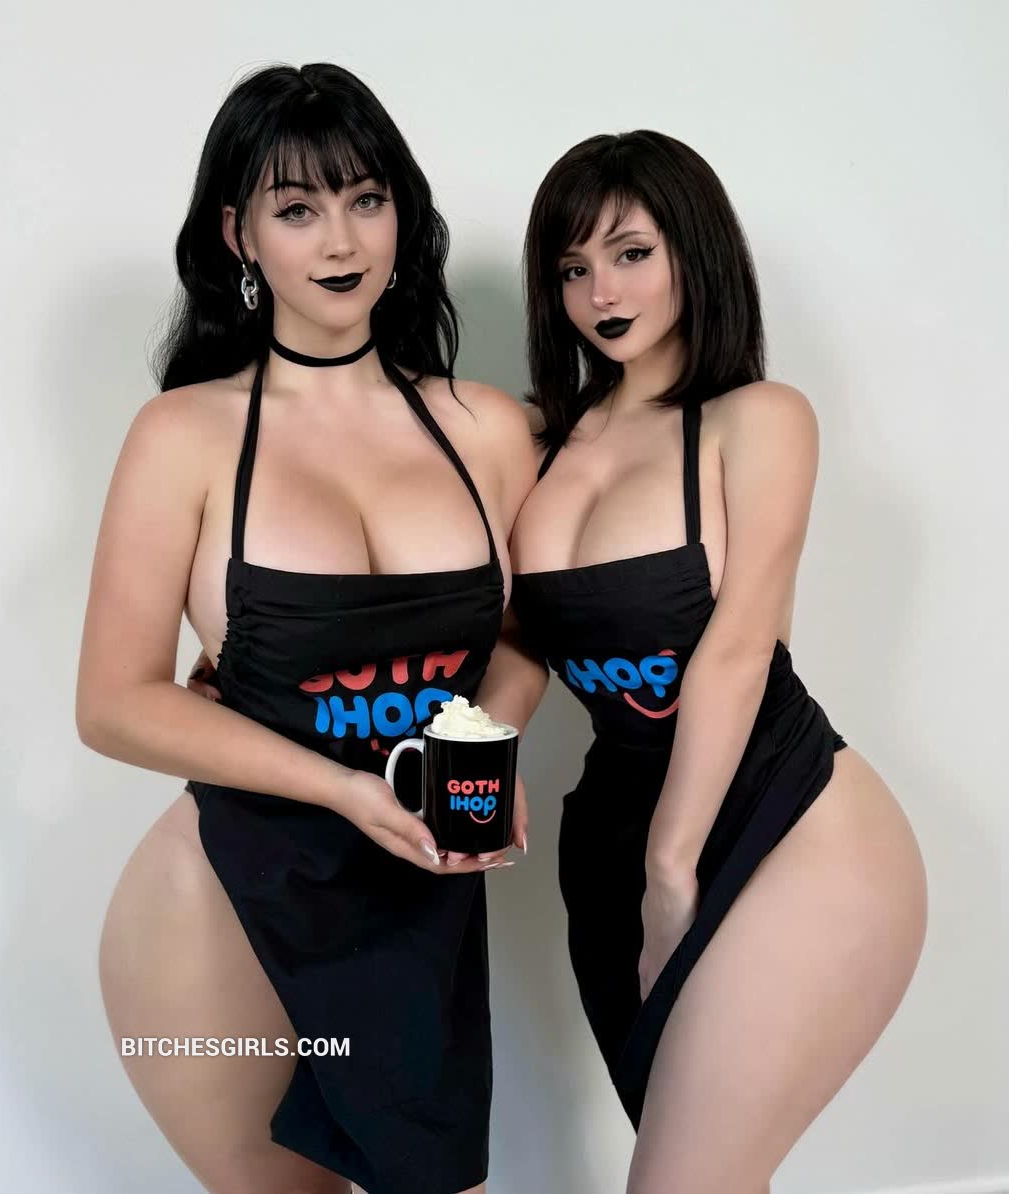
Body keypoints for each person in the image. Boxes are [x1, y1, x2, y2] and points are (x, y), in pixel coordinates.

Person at [76, 62, 533, 1194]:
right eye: (298, 208)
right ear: (240, 234)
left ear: (401, 215)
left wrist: (491, 743)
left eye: (366, 199)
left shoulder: (487, 428)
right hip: (228, 900)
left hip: (421, 894)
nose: (341, 239)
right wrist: (341, 789)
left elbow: (531, 632)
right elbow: (114, 702)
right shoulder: (183, 435)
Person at [504, 131, 928, 1192]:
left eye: (631, 253)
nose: (601, 292)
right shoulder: (531, 444)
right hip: (610, 835)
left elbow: (739, 648)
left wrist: (671, 869)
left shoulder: (758, 420)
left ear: (694, 251)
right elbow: (507, 638)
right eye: (573, 267)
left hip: (783, 817)